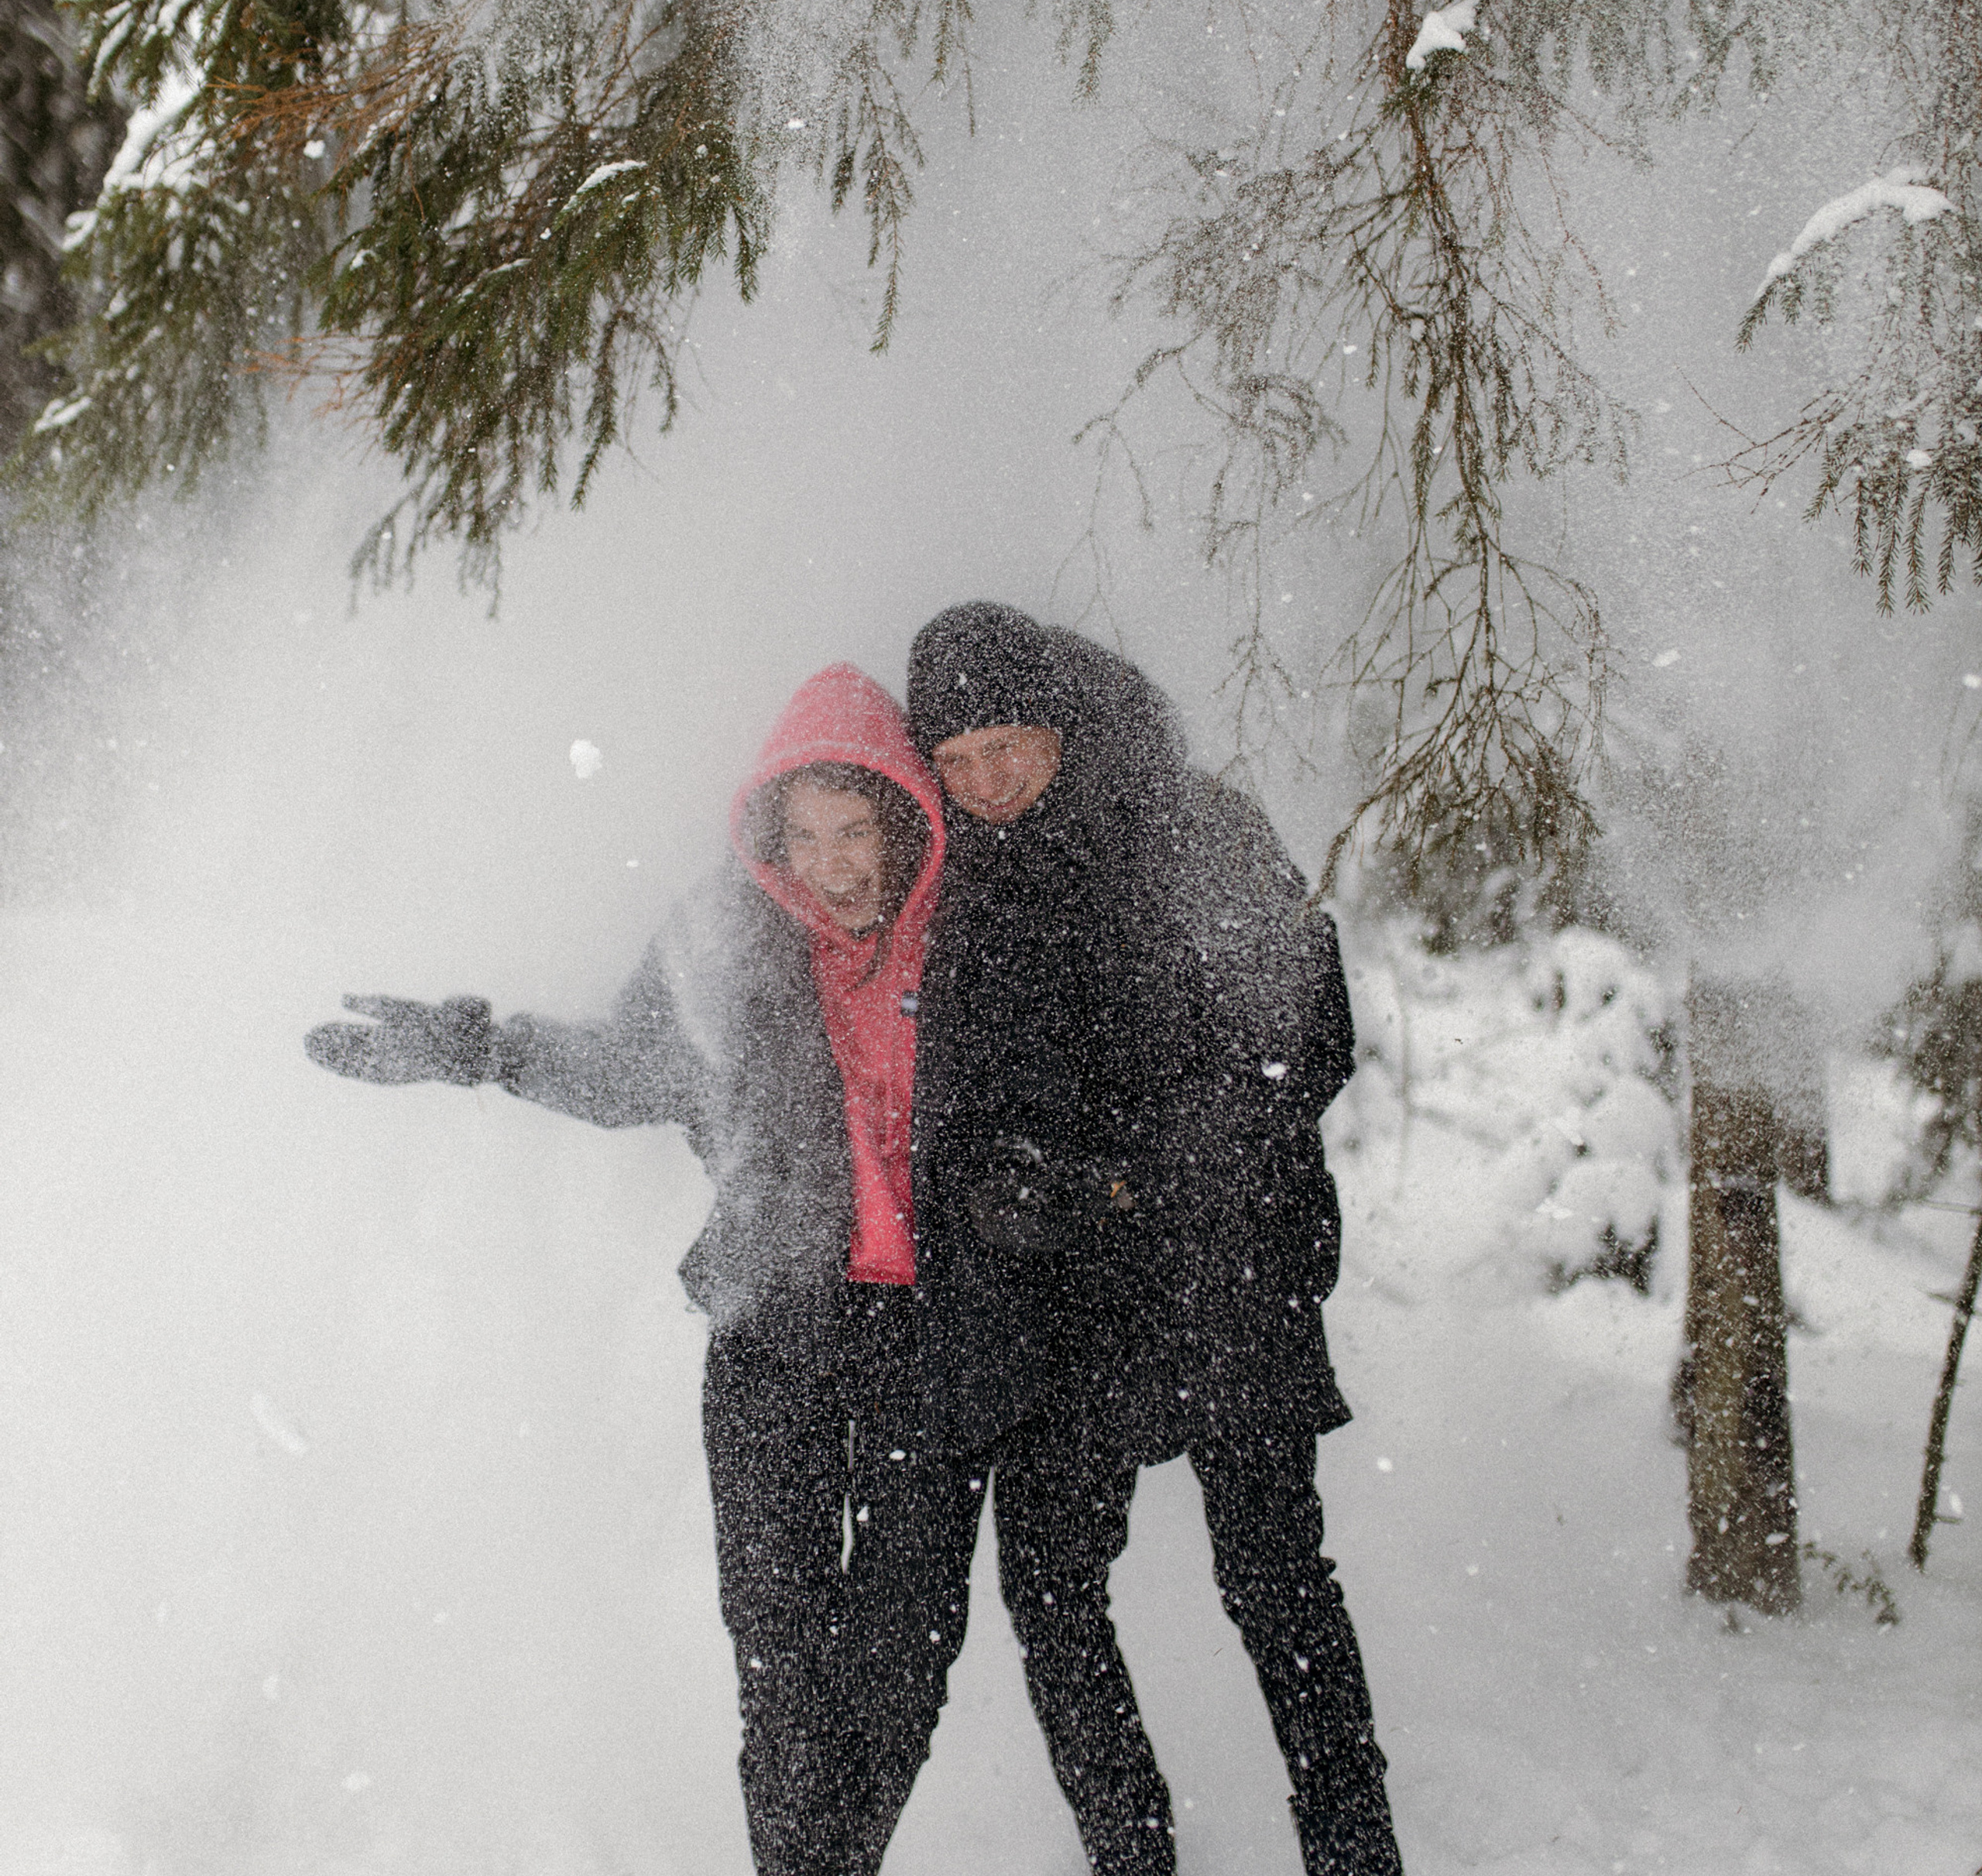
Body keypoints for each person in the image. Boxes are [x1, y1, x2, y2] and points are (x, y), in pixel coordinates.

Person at [304, 663, 946, 1876]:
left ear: (904, 817)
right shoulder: (725, 939)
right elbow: (626, 1073)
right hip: (771, 1323)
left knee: (902, 1662)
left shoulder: (968, 939)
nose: (831, 864)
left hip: (932, 1340)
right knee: (779, 1658)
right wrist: (481, 1048)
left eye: (855, 829)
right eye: (802, 835)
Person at [878, 603, 1404, 1875]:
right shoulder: (957, 885)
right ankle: (1130, 1849)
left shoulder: (1193, 826)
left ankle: (1354, 1849)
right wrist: (998, 1192)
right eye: (954, 762)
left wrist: (1137, 1179)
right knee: (1051, 1589)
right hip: (1074, 1302)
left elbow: (1302, 1037)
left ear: (1062, 723)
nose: (986, 782)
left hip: (1229, 1267)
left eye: (1007, 745)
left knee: (1276, 1577)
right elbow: (945, 1091)